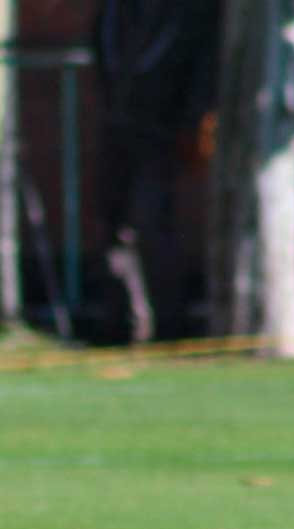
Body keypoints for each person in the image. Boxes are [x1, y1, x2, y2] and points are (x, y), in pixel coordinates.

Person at [93, 0, 218, 343]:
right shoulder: (113, 11)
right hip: (117, 125)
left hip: (161, 129)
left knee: (153, 223)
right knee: (113, 224)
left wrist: (193, 121)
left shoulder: (183, 13)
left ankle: (169, 322)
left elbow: (201, 67)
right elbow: (104, 54)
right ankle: (122, 321)